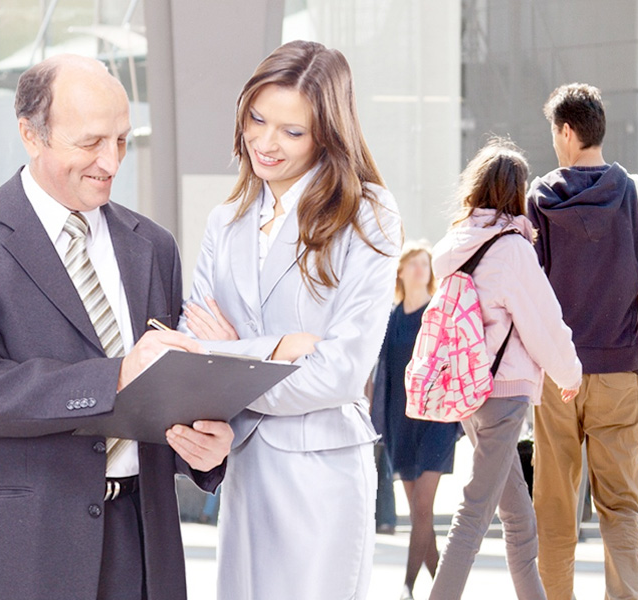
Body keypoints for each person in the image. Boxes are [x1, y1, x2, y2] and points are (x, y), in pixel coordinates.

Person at [0, 55, 232, 599]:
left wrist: (202, 447)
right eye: (91, 142)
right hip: (18, 552)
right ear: (31, 135)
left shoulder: (152, 246)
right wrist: (117, 375)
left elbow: (158, 398)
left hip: (141, 546)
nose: (112, 160)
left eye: (123, 140)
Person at [179, 41, 402, 600]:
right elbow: (190, 358)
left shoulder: (366, 214)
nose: (266, 142)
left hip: (321, 474)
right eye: (257, 118)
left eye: (291, 131)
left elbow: (342, 373)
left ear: (326, 132)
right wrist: (279, 346)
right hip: (243, 470)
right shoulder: (225, 221)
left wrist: (232, 354)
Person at [526, 82, 638, 600]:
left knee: (553, 505)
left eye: (555, 131)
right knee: (620, 506)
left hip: (557, 377)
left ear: (568, 132)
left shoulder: (540, 199)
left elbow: (527, 293)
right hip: (620, 374)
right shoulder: (637, 195)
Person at [426, 138, 583, 600]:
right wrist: (569, 374)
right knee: (474, 513)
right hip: (503, 393)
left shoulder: (455, 245)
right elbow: (543, 322)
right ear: (516, 192)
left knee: (518, 517)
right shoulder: (512, 248)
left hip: (467, 392)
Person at [373, 242, 460, 598]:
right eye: (414, 263)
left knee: (422, 507)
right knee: (420, 513)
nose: (420, 269)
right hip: (400, 426)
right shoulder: (390, 318)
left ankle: (407, 589)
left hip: (436, 423)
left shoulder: (438, 313)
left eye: (425, 264)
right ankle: (444, 587)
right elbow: (383, 378)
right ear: (401, 271)